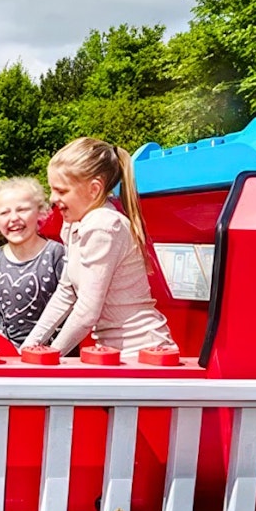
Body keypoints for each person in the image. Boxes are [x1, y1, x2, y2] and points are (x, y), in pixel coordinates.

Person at [21, 137, 175, 358]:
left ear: (94, 190)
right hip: (113, 352)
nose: (53, 199)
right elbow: (66, 292)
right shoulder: (77, 223)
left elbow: (86, 312)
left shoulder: (103, 225)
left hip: (139, 352)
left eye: (62, 191)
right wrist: (28, 348)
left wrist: (49, 356)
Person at [0, 177, 66, 347]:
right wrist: (6, 347)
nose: (13, 218)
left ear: (41, 212)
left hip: (54, 354)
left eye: (22, 210)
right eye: (4, 213)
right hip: (12, 356)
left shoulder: (56, 253)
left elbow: (69, 306)